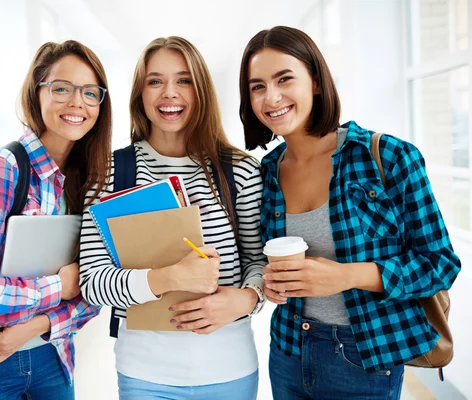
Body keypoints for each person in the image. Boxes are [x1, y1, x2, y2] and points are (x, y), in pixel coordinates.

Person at [239, 26, 461, 400]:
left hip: (365, 356)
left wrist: (346, 276)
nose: (271, 97)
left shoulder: (387, 156)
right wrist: (270, 283)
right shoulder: (266, 172)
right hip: (289, 351)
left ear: (315, 82)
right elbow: (263, 261)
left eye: (284, 79)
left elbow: (440, 264)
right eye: (257, 86)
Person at [79, 36, 267, 400]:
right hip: (144, 373)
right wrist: (168, 278)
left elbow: (258, 262)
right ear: (139, 94)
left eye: (183, 80)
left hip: (229, 368)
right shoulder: (108, 172)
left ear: (201, 92)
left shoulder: (240, 171)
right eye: (155, 81)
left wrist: (245, 298)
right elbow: (92, 282)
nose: (169, 93)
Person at [0, 40, 112, 399]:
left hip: (52, 353)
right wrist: (59, 287)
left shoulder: (92, 180)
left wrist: (36, 326)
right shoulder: (3, 170)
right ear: (37, 92)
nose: (77, 102)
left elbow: (96, 288)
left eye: (91, 93)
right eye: (62, 88)